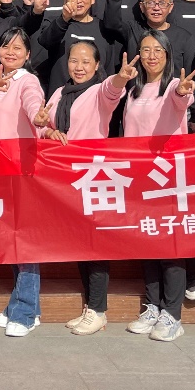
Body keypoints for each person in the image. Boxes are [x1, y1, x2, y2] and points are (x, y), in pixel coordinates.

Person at [43, 43, 131, 337]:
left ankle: (99, 309)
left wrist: (121, 77)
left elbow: (112, 90)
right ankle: (90, 307)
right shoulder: (60, 92)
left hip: (94, 177)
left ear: (96, 65)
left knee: (95, 245)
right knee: (81, 244)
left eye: (85, 62)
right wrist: (48, 130)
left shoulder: (98, 92)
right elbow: (45, 123)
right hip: (67, 179)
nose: (79, 67)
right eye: (73, 61)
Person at [122, 30, 195, 343]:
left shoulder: (174, 86)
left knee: (171, 246)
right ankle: (153, 306)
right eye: (145, 50)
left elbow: (182, 99)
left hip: (167, 178)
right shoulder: (133, 90)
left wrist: (182, 90)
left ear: (168, 54)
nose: (151, 56)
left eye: (158, 50)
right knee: (148, 243)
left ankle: (172, 314)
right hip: (140, 177)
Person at [0, 27, 49, 338]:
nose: (10, 52)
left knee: (25, 241)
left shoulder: (28, 81)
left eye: (17, 48)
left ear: (27, 55)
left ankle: (24, 312)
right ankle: (25, 307)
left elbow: (33, 103)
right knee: (11, 238)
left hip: (22, 170)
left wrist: (38, 117)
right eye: (5, 46)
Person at [101, 0, 195, 77]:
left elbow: (189, 76)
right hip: (137, 87)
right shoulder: (132, 29)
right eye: (150, 3)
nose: (156, 8)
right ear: (142, 7)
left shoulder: (184, 37)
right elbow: (111, 23)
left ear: (170, 7)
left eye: (162, 3)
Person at [32, 0, 110, 95]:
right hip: (61, 97)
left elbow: (108, 67)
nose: (78, 1)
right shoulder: (56, 23)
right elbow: (45, 41)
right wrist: (64, 19)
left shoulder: (103, 27)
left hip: (94, 98)